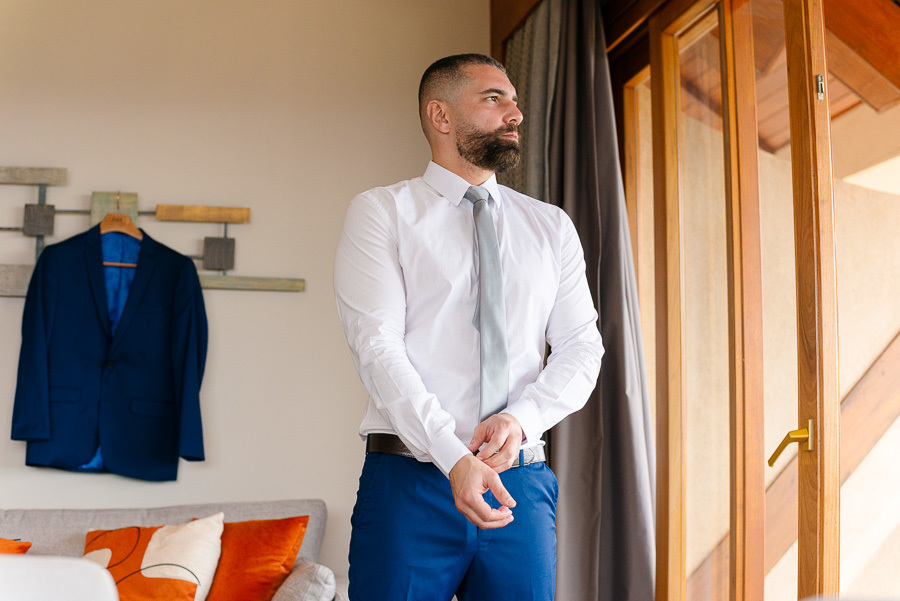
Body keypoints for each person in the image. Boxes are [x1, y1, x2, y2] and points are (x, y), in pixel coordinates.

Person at [333, 53, 603, 600]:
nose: (515, 113)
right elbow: (376, 345)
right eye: (493, 98)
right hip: (411, 484)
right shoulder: (382, 212)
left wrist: (523, 420)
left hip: (519, 487)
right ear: (441, 116)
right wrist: (453, 457)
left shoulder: (551, 226)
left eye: (515, 101)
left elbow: (582, 347)